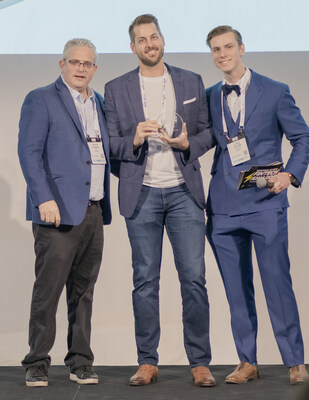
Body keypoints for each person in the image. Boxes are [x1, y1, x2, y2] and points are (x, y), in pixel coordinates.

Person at [104, 14, 215, 387]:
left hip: (184, 192)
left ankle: (199, 362)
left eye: (154, 37)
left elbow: (207, 131)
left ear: (162, 40)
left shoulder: (190, 80)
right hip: (143, 193)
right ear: (132, 47)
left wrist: (188, 144)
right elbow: (109, 145)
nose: (150, 44)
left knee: (194, 280)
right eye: (142, 39)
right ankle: (147, 361)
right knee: (145, 282)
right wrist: (133, 139)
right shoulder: (116, 88)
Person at [205, 25, 309, 385]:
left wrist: (290, 176)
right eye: (216, 49)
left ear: (242, 48)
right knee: (236, 289)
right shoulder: (209, 96)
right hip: (222, 206)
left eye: (228, 47)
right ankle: (246, 361)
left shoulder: (276, 91)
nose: (223, 54)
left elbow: (303, 138)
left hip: (265, 202)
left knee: (277, 282)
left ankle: (294, 361)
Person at [18, 38, 111, 387]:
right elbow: (29, 152)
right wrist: (43, 198)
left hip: (93, 211)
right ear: (62, 65)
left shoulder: (99, 102)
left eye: (87, 64)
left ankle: (80, 361)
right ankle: (37, 361)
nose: (80, 68)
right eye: (74, 62)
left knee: (83, 292)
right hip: (56, 213)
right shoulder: (41, 99)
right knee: (48, 290)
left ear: (94, 69)